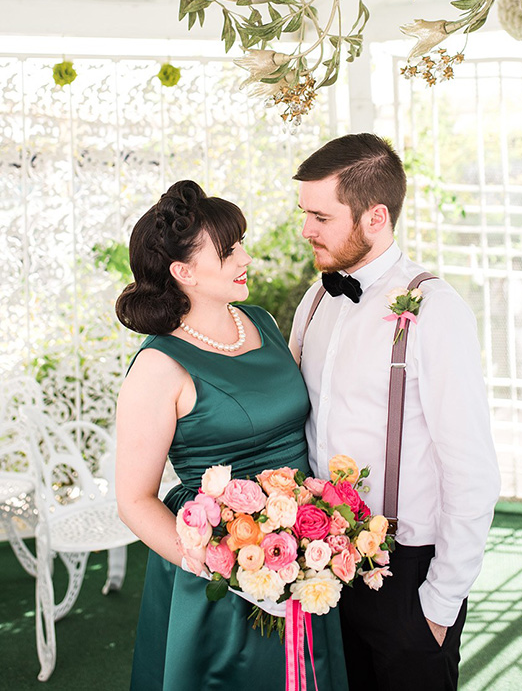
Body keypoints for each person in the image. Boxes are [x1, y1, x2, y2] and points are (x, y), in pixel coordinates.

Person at [115, 179, 347, 691]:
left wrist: (314, 531)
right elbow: (133, 500)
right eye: (228, 250)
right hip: (221, 572)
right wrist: (223, 568)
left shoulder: (260, 322)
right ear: (183, 272)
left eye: (240, 242)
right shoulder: (157, 367)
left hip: (304, 549)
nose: (245, 257)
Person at [289, 134, 501, 691]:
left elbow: (472, 469)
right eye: (304, 213)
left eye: (320, 216)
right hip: (325, 563)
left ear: (375, 216)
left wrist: (439, 603)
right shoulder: (314, 302)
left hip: (408, 573)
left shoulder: (437, 311)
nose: (306, 229)